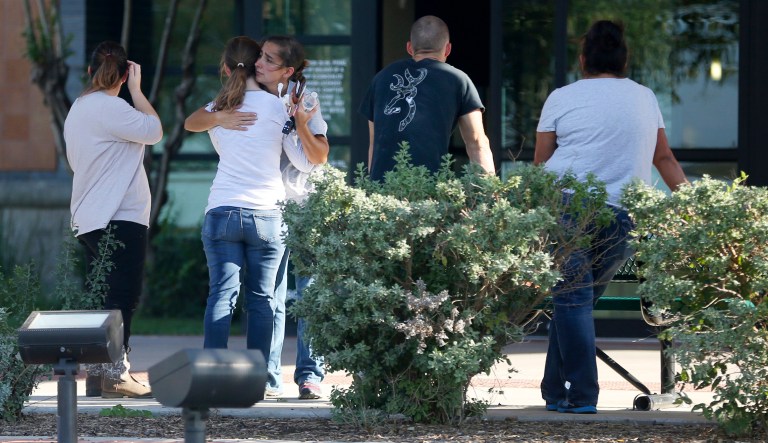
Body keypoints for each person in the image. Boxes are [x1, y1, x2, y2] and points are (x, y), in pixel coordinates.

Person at [534, 20, 688, 414]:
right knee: (575, 302)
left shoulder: (562, 97)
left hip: (567, 206)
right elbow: (664, 158)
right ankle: (554, 390)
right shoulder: (644, 97)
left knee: (571, 302)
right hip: (622, 214)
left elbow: (541, 161)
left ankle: (583, 397)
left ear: (584, 59)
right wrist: (691, 207)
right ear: (623, 60)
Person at [184, 35, 328, 400]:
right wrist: (288, 124)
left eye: (270, 59)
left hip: (238, 208)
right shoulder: (271, 108)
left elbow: (192, 123)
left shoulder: (237, 105)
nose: (262, 64)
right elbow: (303, 160)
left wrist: (295, 121)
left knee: (224, 296)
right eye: (259, 58)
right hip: (268, 213)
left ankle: (214, 378)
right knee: (264, 301)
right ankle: (260, 380)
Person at [64, 40, 163, 398]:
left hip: (89, 217)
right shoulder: (115, 109)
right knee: (122, 296)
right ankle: (116, 374)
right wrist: (136, 90)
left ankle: (98, 373)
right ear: (124, 74)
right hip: (121, 216)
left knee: (101, 294)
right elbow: (154, 130)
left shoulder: (78, 109)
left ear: (90, 71)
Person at [359, 15, 495, 180]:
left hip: (383, 191)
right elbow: (477, 143)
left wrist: (372, 190)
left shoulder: (381, 79)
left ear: (409, 48)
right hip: (430, 191)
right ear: (448, 49)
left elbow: (374, 143)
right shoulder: (458, 80)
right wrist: (488, 195)